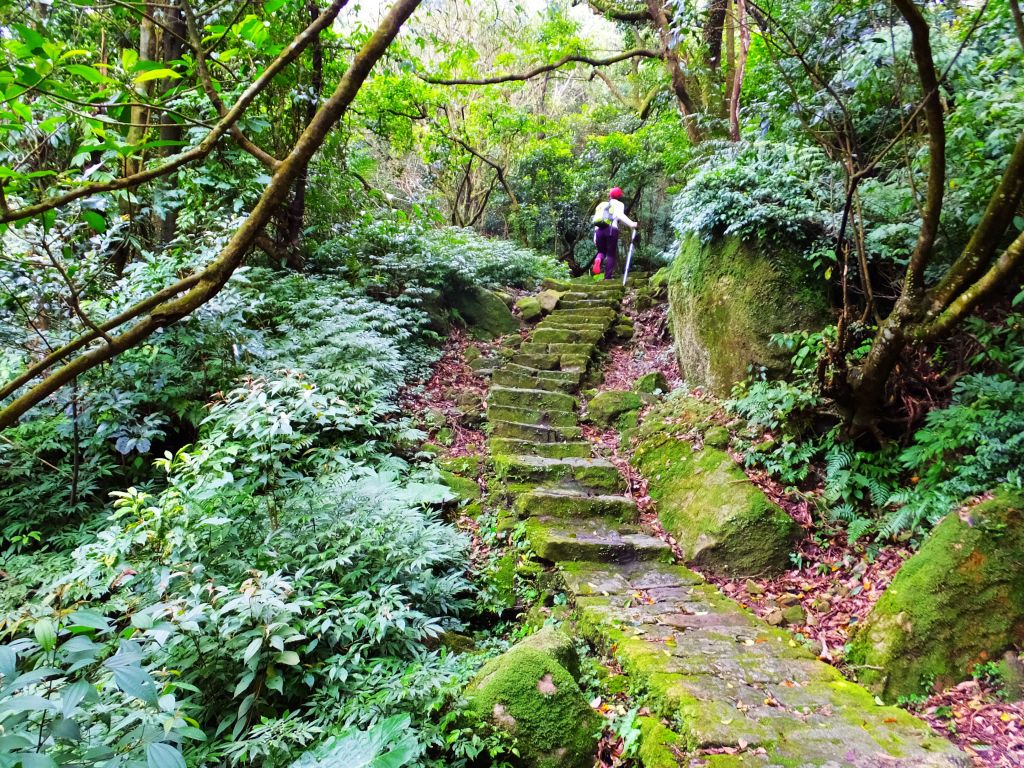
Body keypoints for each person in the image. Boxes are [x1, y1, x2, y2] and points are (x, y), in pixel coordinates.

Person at [592, 187, 638, 280]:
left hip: (599, 231)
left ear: (610, 195)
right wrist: (632, 224)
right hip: (611, 230)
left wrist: (595, 236)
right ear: (619, 196)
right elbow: (620, 215)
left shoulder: (602, 204)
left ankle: (598, 259)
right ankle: (607, 278)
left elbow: (597, 220)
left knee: (601, 252)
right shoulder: (619, 204)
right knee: (610, 254)